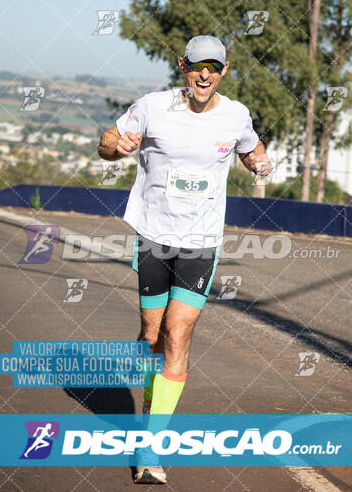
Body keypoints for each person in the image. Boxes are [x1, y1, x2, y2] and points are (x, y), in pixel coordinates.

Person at [98, 35, 271, 484]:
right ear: (183, 66)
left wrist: (259, 162)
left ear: (224, 71)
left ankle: (150, 448)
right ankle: (150, 398)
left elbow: (252, 149)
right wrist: (115, 147)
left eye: (213, 67)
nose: (204, 74)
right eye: (197, 66)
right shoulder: (153, 107)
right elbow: (107, 138)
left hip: (201, 241)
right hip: (154, 235)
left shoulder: (236, 116)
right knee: (151, 334)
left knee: (177, 332)